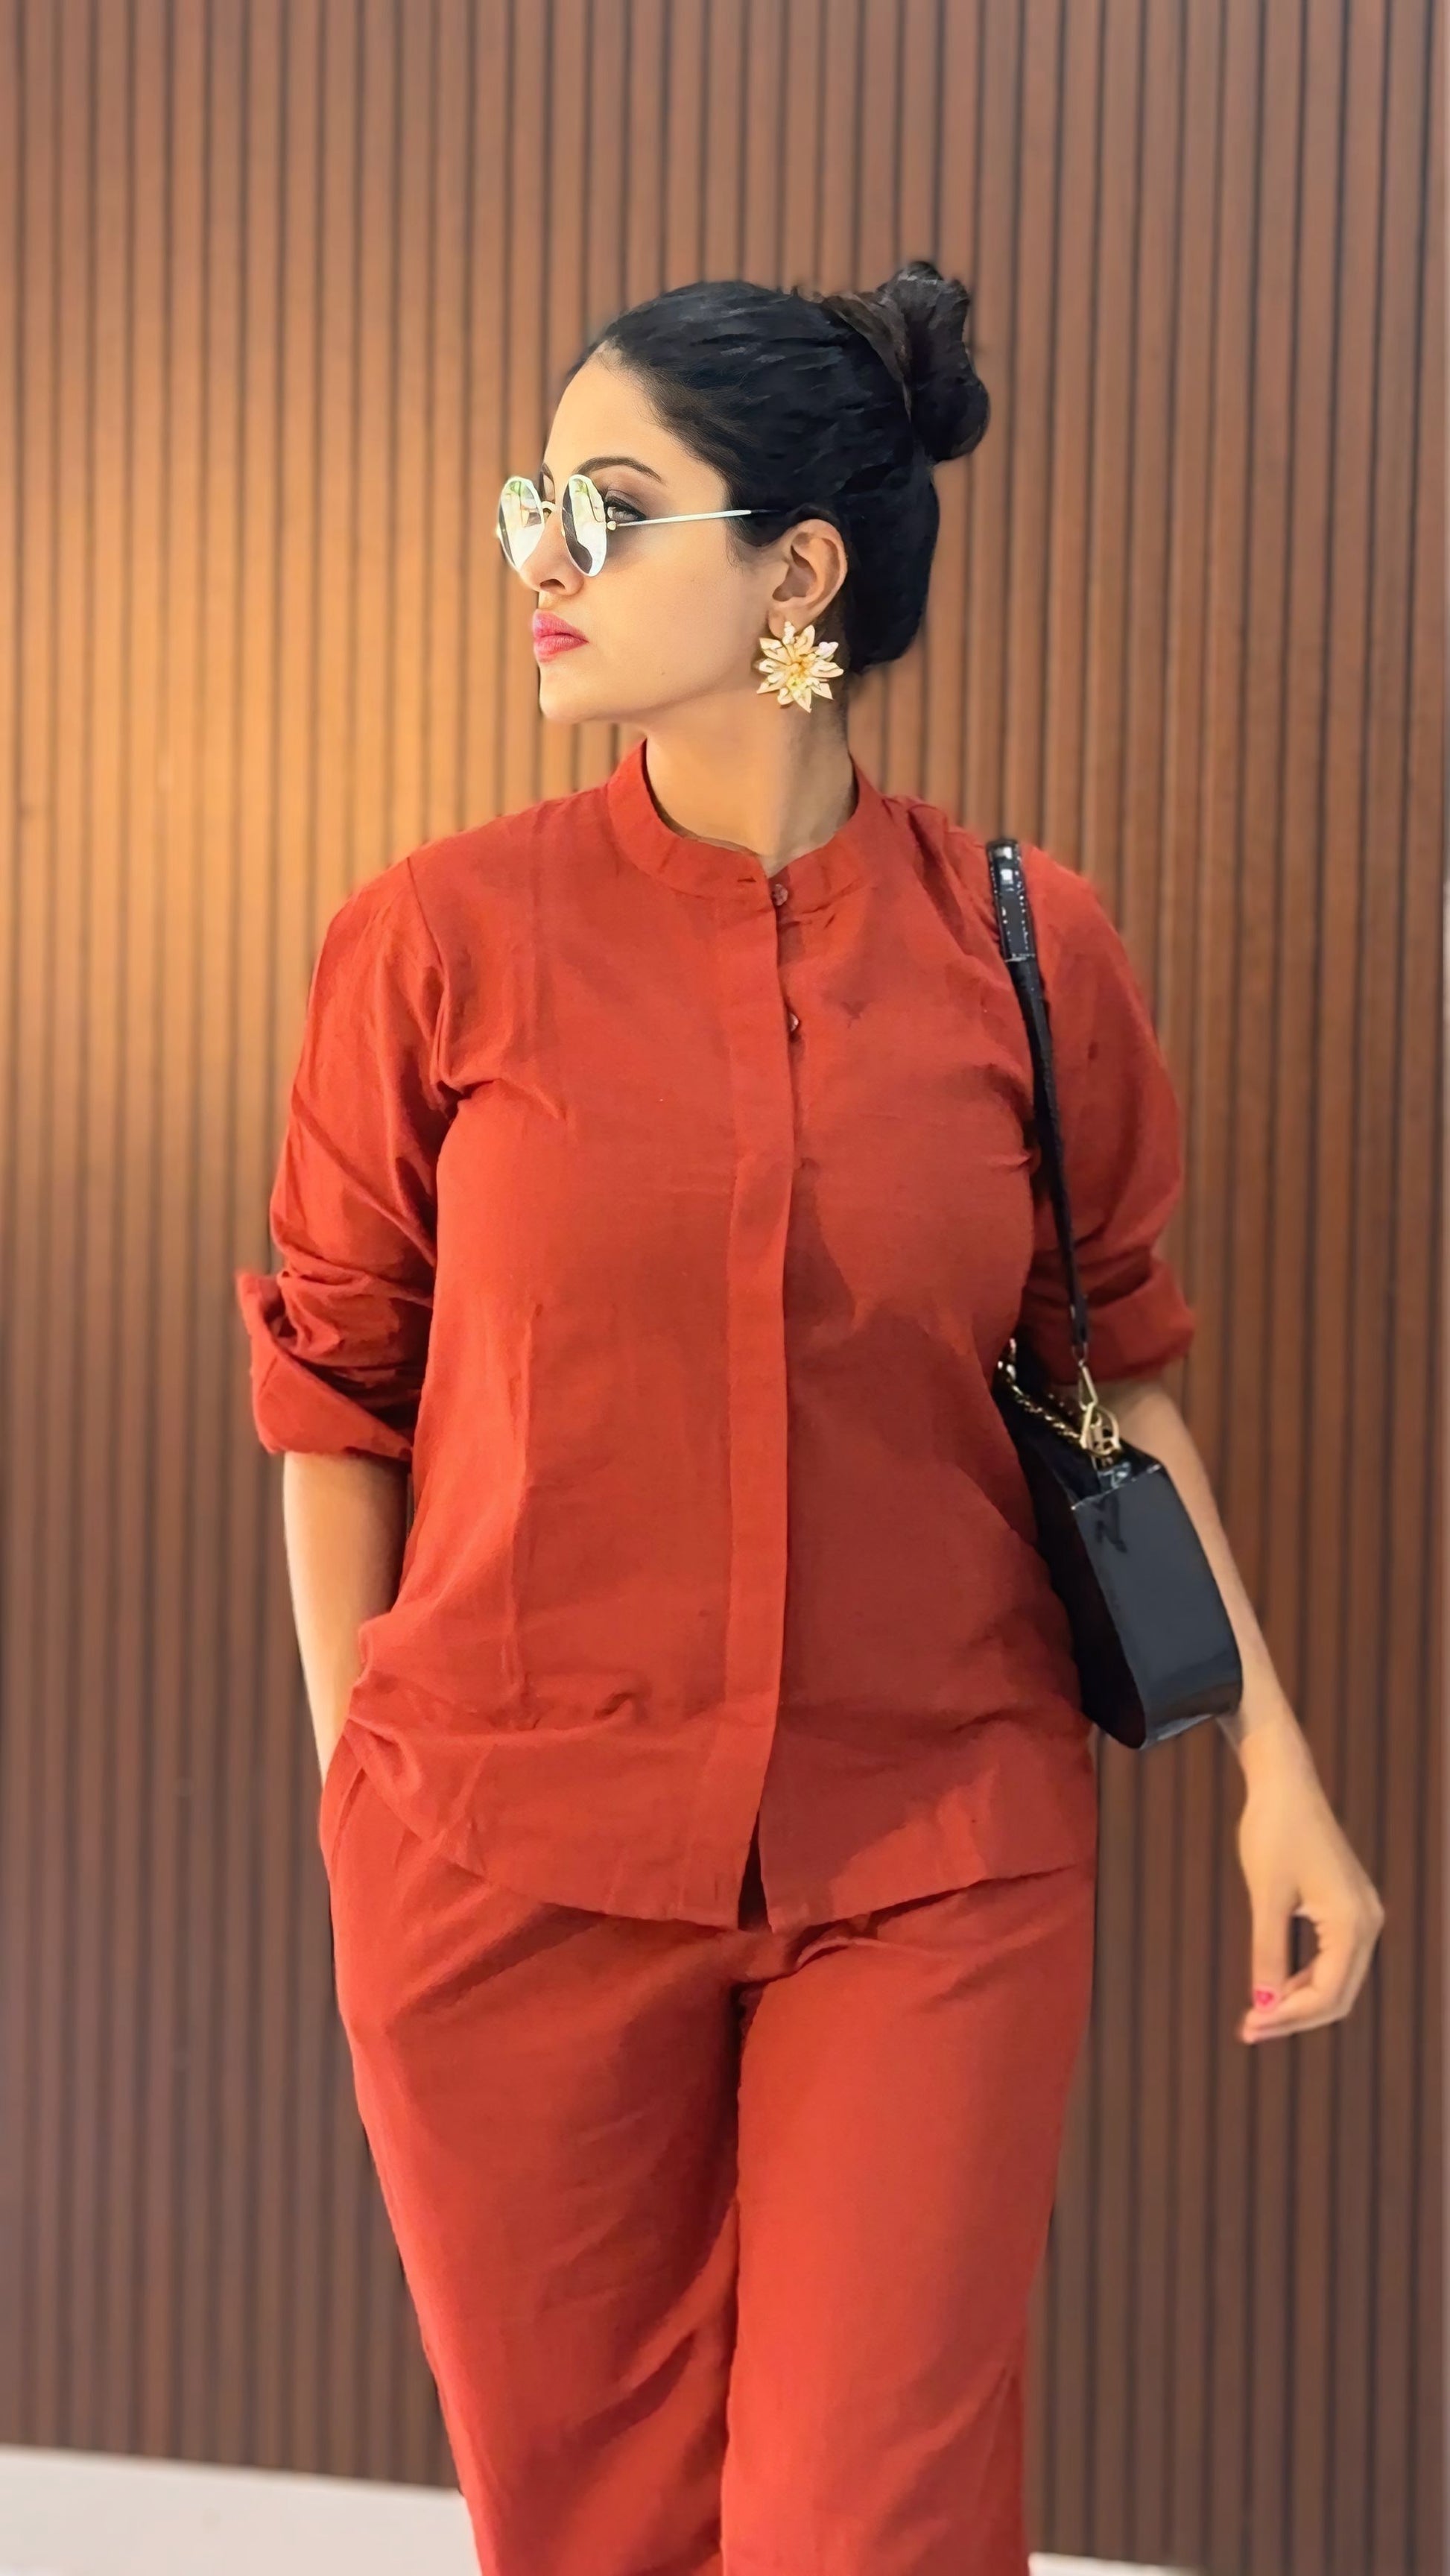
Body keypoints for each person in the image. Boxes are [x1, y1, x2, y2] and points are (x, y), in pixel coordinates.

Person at [235, 259, 1384, 2576]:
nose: (538, 552)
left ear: (796, 574)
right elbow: (333, 1391)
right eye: (531, 499)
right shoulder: (432, 943)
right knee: (591, 2521)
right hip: (503, 1858)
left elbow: (1113, 1370)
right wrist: (369, 1789)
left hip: (932, 1849)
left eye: (604, 502)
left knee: (874, 2522)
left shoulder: (1025, 945)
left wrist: (1274, 1767)